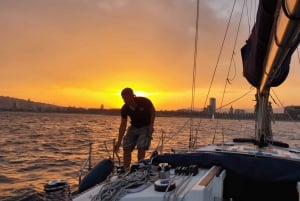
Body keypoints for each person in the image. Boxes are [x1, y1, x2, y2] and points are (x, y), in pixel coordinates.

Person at [114, 87, 155, 169]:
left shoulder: (144, 101)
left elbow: (152, 111)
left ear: (132, 96)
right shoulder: (124, 108)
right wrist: (119, 141)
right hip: (134, 127)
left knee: (141, 146)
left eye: (126, 98)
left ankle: (140, 167)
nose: (125, 100)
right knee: (126, 146)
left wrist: (151, 125)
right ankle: (126, 169)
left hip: (145, 126)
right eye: (123, 98)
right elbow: (123, 124)